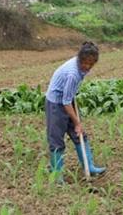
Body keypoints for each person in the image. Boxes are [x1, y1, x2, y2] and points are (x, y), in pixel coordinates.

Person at [45, 41, 106, 183]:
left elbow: (68, 97)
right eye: (85, 62)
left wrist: (76, 124)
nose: (87, 66)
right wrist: (77, 122)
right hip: (56, 103)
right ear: (79, 58)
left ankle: (89, 166)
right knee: (56, 140)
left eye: (91, 64)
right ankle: (57, 175)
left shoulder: (81, 69)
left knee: (79, 135)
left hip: (67, 100)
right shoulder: (73, 73)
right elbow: (65, 102)